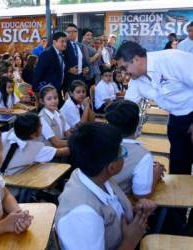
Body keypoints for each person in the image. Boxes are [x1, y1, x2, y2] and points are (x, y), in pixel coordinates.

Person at [55, 122, 157, 250]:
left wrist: (134, 212)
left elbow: (113, 207)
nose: (125, 153)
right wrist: (131, 240)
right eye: (122, 151)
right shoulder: (83, 216)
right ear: (112, 167)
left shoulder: (96, 176)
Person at [116, 41, 193, 176]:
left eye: (124, 68)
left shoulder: (172, 59)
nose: (124, 74)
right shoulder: (136, 81)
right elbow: (126, 109)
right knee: (179, 167)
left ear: (136, 59)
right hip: (176, 119)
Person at [106, 100, 165, 197]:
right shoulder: (142, 155)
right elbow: (141, 194)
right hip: (116, 207)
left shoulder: (95, 142)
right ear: (137, 123)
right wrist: (156, 174)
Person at [0, 113, 69, 176]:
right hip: (16, 183)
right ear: (33, 135)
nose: (42, 126)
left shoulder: (4, 135)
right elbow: (62, 152)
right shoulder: (37, 149)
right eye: (40, 125)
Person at [34, 32, 67, 106]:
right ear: (54, 42)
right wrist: (38, 91)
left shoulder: (62, 54)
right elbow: (38, 74)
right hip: (47, 93)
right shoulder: (46, 54)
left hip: (57, 91)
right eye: (62, 41)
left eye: (66, 42)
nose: (65, 44)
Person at [63, 23, 88, 93]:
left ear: (77, 33)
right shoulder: (63, 45)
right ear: (66, 33)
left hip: (80, 77)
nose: (71, 33)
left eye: (74, 31)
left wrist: (85, 67)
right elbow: (59, 61)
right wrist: (68, 69)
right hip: (69, 78)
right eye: (69, 32)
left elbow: (81, 59)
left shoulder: (77, 45)